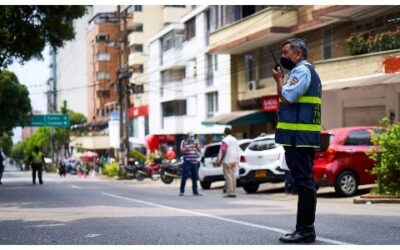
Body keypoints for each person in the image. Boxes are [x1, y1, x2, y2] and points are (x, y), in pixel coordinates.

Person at [272, 38, 321, 243]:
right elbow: (286, 96)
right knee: (304, 181)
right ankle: (304, 228)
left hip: (299, 138)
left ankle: (305, 230)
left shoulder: (302, 71)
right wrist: (281, 80)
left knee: (304, 182)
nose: (283, 57)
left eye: (286, 53)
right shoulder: (302, 72)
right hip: (300, 138)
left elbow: (287, 96)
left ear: (298, 54)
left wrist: (278, 80)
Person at [214, 127, 240, 198]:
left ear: (225, 132)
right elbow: (237, 150)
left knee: (228, 177)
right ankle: (233, 191)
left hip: (227, 161)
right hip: (234, 160)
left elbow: (223, 151)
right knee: (233, 176)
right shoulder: (234, 139)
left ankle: (230, 193)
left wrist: (220, 161)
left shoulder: (225, 140)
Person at [179, 132, 202, 196]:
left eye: (193, 136)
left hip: (194, 162)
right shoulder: (183, 142)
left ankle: (195, 191)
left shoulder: (195, 142)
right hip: (187, 161)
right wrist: (188, 146)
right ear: (188, 137)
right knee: (185, 176)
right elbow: (181, 151)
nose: (192, 138)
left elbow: (200, 150)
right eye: (191, 136)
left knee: (195, 177)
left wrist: (197, 146)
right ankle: (182, 190)